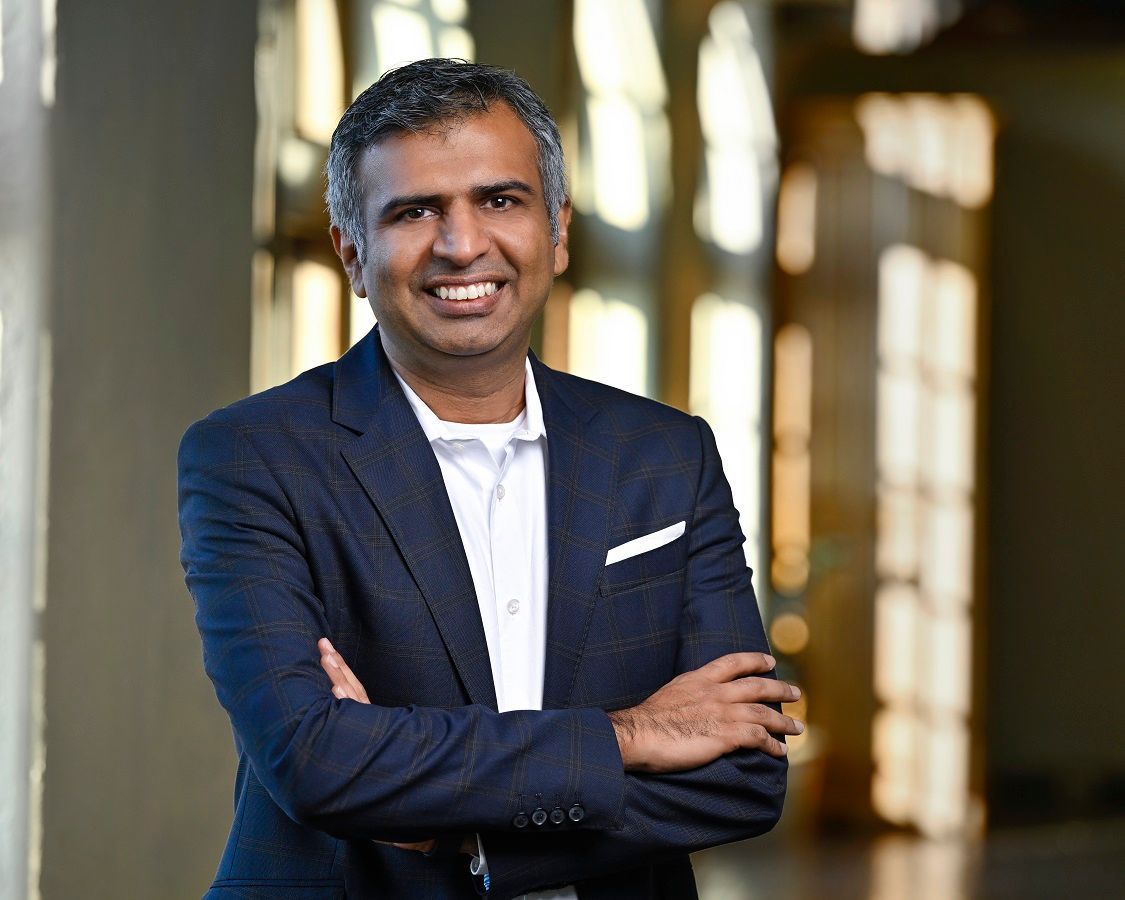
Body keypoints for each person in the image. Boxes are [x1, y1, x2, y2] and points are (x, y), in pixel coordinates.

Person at [178, 58, 803, 899]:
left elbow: (742, 774)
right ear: (352, 256)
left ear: (556, 230)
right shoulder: (253, 457)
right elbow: (315, 762)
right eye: (413, 211)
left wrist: (460, 833)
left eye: (499, 200)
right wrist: (630, 735)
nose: (461, 244)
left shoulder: (664, 455)